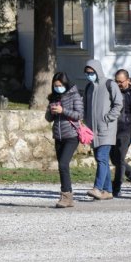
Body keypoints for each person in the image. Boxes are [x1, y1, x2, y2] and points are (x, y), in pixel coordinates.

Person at [83, 60, 123, 201]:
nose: (89, 75)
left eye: (91, 72)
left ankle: (97, 188)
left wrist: (108, 118)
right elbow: (85, 107)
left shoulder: (109, 84)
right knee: (102, 159)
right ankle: (108, 191)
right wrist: (85, 124)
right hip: (92, 131)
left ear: (97, 71)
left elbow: (118, 103)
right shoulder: (88, 87)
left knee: (101, 158)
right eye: (87, 73)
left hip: (107, 129)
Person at [45, 72, 84, 208]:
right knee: (62, 167)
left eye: (60, 85)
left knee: (63, 164)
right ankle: (67, 196)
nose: (58, 88)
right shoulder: (54, 97)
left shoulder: (75, 95)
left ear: (65, 84)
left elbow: (79, 114)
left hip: (72, 135)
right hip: (58, 136)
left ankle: (66, 195)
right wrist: (51, 111)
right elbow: (48, 118)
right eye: (55, 86)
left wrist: (63, 111)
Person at [109, 69, 131, 197]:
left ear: (128, 81)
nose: (118, 84)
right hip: (113, 130)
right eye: (116, 81)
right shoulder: (113, 94)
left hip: (125, 131)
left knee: (120, 159)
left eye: (121, 82)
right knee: (114, 158)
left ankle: (116, 187)